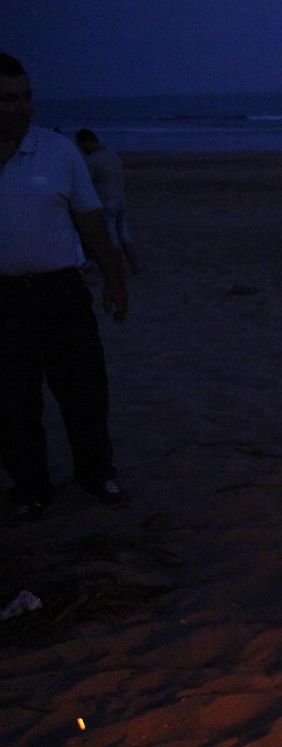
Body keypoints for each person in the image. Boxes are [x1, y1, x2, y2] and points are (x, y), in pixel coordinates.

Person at [0, 54, 131, 524]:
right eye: (8, 98)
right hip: (4, 302)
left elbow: (91, 221)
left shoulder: (58, 151)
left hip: (60, 292)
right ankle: (32, 487)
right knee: (13, 401)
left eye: (26, 96)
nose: (21, 107)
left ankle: (98, 476)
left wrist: (114, 279)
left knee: (84, 392)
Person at [73, 128, 139, 276]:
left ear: (85, 143)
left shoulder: (93, 160)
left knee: (112, 239)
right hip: (121, 200)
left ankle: (119, 270)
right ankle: (135, 267)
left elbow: (86, 183)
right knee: (124, 235)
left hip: (106, 202)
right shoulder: (113, 154)